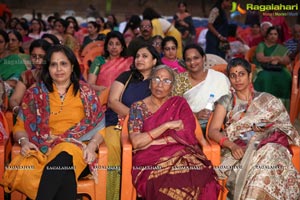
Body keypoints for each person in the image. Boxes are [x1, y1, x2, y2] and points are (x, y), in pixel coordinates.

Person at [12, 45, 105, 199]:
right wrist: (24, 142)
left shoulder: (86, 92)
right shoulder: (35, 93)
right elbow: (20, 126)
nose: (58, 69)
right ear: (47, 68)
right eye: (53, 64)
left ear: (72, 66)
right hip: (43, 150)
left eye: (63, 64)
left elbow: (100, 127)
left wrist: (92, 146)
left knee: (64, 153)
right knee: (63, 172)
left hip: (80, 151)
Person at [208, 58, 300, 200]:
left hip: (271, 147)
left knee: (271, 152)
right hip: (240, 149)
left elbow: (284, 126)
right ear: (229, 79)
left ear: (250, 76)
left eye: (241, 74)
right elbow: (213, 130)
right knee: (269, 156)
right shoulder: (225, 100)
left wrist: (266, 130)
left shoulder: (267, 99)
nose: (237, 79)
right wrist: (231, 146)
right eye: (233, 75)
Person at [129, 65, 220, 199]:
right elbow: (137, 142)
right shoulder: (138, 107)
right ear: (150, 83)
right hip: (151, 161)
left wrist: (152, 142)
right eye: (157, 79)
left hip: (182, 155)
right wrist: (166, 126)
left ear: (172, 87)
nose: (160, 85)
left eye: (166, 81)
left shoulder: (180, 104)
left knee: (205, 181)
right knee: (164, 187)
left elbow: (188, 135)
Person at [105, 44, 161, 200]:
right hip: (117, 123)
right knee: (113, 149)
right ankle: (113, 196)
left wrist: (140, 123)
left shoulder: (158, 82)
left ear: (154, 61)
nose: (139, 59)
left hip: (145, 128)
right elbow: (112, 101)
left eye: (144, 56)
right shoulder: (126, 76)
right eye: (137, 56)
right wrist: (134, 117)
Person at [173, 43, 230, 133]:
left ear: (204, 58)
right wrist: (196, 115)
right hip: (190, 125)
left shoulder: (219, 77)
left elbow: (229, 101)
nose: (192, 63)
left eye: (196, 58)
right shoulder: (179, 80)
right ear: (184, 62)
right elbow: (175, 108)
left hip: (220, 123)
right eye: (188, 60)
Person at [9, 39, 51, 115]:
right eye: (34, 56)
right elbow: (14, 99)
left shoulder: (56, 75)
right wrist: (17, 109)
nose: (37, 60)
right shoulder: (27, 75)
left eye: (41, 57)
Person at [253, 26, 291, 109]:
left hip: (278, 69)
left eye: (275, 34)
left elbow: (287, 60)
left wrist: (279, 60)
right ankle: (264, 105)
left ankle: (281, 107)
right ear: (267, 35)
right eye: (271, 34)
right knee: (265, 77)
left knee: (287, 77)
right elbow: (260, 58)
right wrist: (274, 58)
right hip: (264, 69)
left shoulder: (280, 47)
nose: (273, 36)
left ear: (278, 36)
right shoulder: (262, 45)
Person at [0, 31, 31, 96]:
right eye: (10, 40)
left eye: (0, 42)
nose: (11, 42)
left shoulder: (17, 59)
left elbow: (14, 82)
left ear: (6, 44)